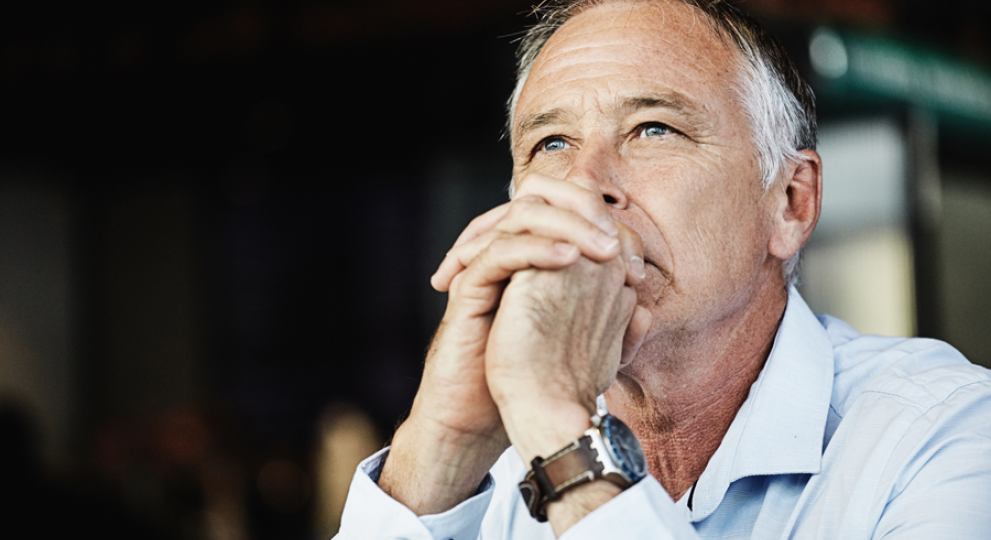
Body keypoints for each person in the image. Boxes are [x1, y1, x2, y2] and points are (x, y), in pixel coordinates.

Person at [335, 0, 991, 538]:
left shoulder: (946, 435)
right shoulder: (505, 467)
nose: (585, 187)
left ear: (790, 203)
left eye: (653, 129)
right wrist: (443, 445)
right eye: (551, 143)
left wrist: (561, 432)